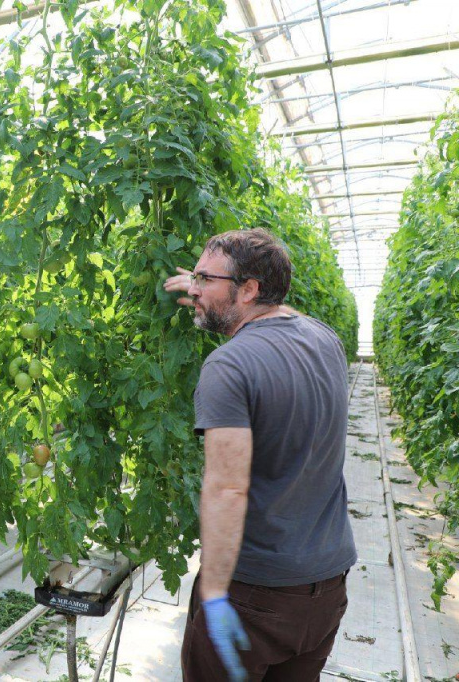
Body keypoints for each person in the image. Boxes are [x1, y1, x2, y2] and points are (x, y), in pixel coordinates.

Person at [164, 228, 356, 681]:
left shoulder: (229, 366)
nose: (194, 288)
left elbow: (228, 489)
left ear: (248, 290)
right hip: (325, 587)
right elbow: (265, 354)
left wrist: (212, 593)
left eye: (203, 279)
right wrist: (206, 288)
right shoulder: (325, 340)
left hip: (255, 595)